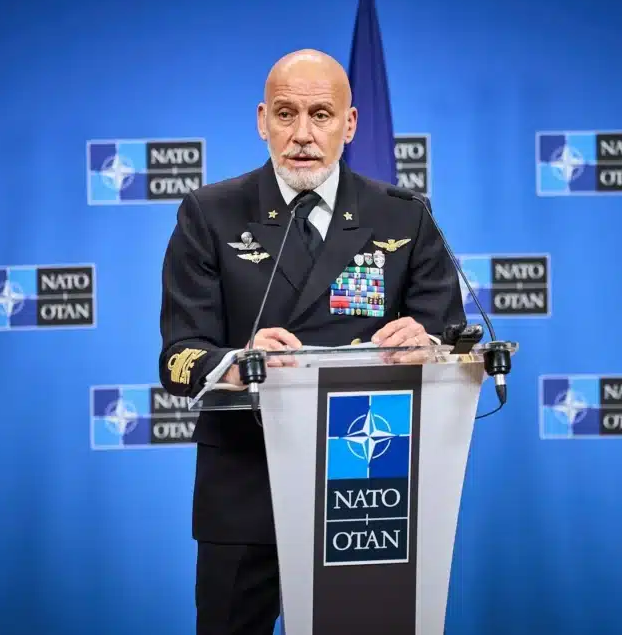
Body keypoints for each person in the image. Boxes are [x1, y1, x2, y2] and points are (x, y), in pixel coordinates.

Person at [158, 48, 465, 635]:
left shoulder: (405, 216)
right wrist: (238, 362)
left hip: (367, 484)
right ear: (262, 121)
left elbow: (450, 341)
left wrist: (427, 343)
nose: (302, 134)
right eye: (286, 114)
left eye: (321, 115)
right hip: (245, 485)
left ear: (350, 124)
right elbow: (177, 359)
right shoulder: (210, 213)